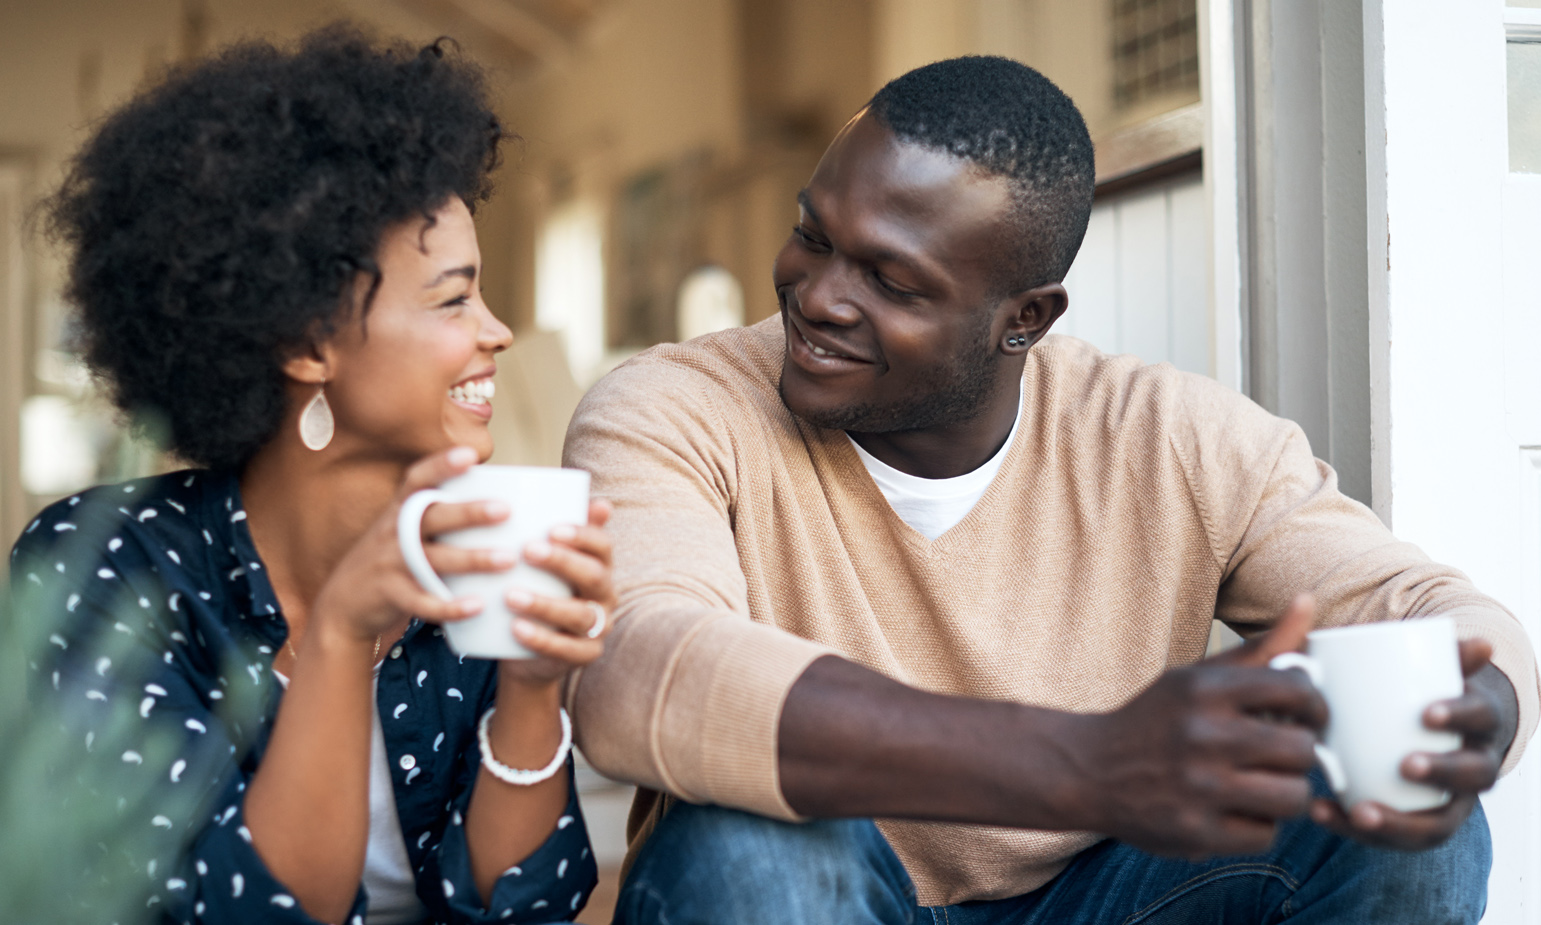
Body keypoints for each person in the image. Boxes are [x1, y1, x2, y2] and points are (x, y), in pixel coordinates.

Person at [562, 56, 1539, 923]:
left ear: (1021, 318)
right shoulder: (671, 408)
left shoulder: (1173, 437)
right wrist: (1094, 763)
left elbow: (1425, 608)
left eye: (890, 280)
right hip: (822, 890)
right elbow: (637, 670)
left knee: (1410, 821)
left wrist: (1475, 707)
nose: (817, 295)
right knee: (749, 846)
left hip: (1104, 894)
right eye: (812, 238)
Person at [12, 28, 610, 925]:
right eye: (453, 298)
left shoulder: (475, 556)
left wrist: (530, 685)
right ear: (304, 342)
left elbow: (526, 908)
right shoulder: (107, 572)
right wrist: (337, 633)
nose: (497, 332)